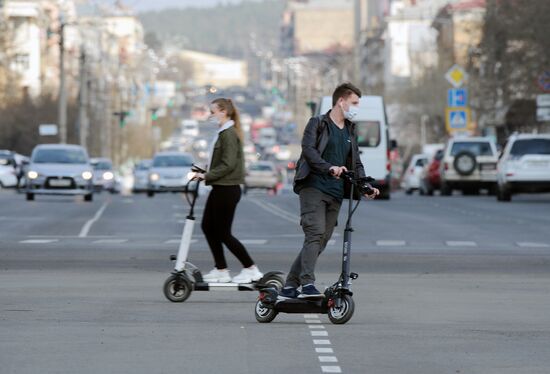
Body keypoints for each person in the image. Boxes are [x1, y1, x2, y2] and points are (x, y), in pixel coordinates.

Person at [281, 83, 380, 299]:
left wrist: (366, 187)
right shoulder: (318, 123)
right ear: (341, 101)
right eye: (354, 103)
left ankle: (290, 284)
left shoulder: (350, 129)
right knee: (314, 233)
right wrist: (329, 167)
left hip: (335, 192)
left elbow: (356, 161)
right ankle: (307, 284)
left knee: (321, 240)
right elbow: (308, 150)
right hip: (314, 187)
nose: (356, 108)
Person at [193, 98, 263, 284]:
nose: (211, 115)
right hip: (220, 187)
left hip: (227, 188)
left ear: (224, 111)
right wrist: (203, 171)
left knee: (223, 232)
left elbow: (228, 164)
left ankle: (251, 268)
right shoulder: (223, 132)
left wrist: (206, 176)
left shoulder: (228, 134)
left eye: (213, 111)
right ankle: (221, 269)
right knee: (208, 227)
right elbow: (220, 161)